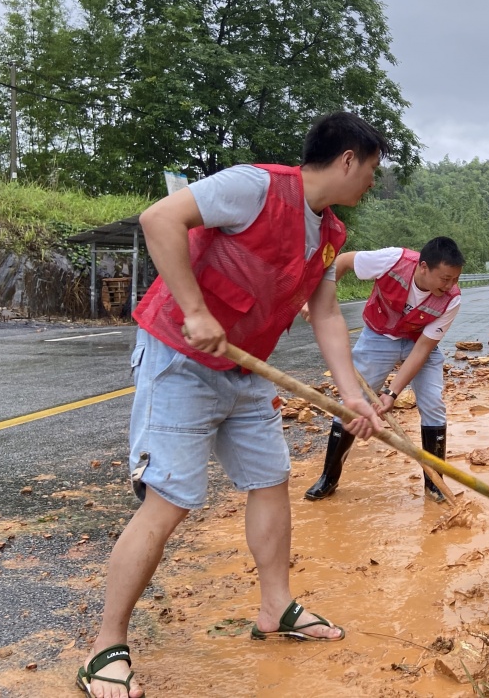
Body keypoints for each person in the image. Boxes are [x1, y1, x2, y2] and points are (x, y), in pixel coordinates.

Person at [76, 112, 392, 698]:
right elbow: (159, 218)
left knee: (270, 480)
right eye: (372, 169)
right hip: (179, 357)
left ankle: (277, 608)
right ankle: (105, 648)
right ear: (349, 159)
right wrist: (195, 310)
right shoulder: (257, 186)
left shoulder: (330, 234)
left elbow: (325, 313)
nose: (373, 181)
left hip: (247, 369)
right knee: (169, 500)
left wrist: (351, 395)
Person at [304, 236, 464, 502]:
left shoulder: (452, 300)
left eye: (455, 279)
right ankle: (329, 478)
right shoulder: (392, 260)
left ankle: (434, 483)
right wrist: (318, 302)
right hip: (378, 336)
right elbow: (343, 261)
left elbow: (422, 349)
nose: (450, 286)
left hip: (417, 343)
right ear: (424, 267)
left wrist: (392, 392)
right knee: (352, 401)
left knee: (433, 403)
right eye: (445, 279)